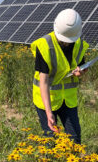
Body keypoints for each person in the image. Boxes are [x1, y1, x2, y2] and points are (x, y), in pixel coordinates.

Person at [30, 9, 89, 144]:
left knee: (74, 138)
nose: (67, 43)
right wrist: (48, 112)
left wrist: (81, 72)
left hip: (68, 99)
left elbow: (80, 66)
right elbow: (44, 81)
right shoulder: (44, 46)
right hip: (47, 99)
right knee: (51, 140)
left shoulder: (78, 43)